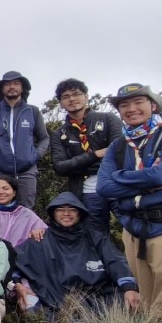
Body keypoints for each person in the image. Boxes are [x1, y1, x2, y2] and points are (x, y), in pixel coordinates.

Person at [97, 83, 162, 323]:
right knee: (145, 304)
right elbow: (104, 187)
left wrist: (120, 178)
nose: (131, 109)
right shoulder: (119, 145)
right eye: (124, 105)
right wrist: (142, 179)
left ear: (153, 105)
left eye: (138, 102)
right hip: (134, 232)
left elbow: (161, 176)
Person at [12, 192, 140, 322]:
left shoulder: (95, 237)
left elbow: (115, 261)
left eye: (72, 210)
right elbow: (15, 262)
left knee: (127, 303)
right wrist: (17, 285)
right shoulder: (40, 239)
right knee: (31, 306)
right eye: (60, 210)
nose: (66, 213)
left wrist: (129, 288)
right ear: (53, 213)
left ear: (80, 213)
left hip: (98, 297)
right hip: (53, 299)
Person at [50, 78, 123, 233]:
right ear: (61, 103)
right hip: (87, 191)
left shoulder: (108, 119)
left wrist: (78, 165)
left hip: (117, 183)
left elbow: (119, 152)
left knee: (132, 228)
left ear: (86, 96)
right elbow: (60, 167)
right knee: (94, 234)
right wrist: (95, 155)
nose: (72, 99)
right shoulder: (59, 133)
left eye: (76, 94)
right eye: (66, 96)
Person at [0, 71, 50, 209]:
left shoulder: (33, 111)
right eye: (7, 84)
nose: (12, 86)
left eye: (16, 83)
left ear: (22, 88)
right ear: (2, 89)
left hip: (26, 169)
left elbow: (44, 138)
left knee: (26, 207)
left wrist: (35, 156)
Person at [0, 174, 47, 249]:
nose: (1, 192)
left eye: (5, 188)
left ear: (14, 192)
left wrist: (39, 231)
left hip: (16, 257)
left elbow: (43, 229)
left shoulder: (25, 214)